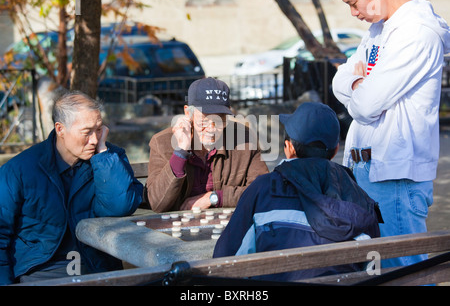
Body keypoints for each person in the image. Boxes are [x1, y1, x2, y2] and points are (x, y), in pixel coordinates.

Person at [330, 0, 450, 268]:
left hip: (395, 175)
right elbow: (339, 80)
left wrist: (359, 87)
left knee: (402, 271)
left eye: (354, 2)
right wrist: (356, 84)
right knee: (377, 270)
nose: (353, 13)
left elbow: (366, 106)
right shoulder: (380, 29)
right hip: (367, 169)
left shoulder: (417, 32)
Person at [213, 102, 382, 282]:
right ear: (334, 151)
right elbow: (373, 266)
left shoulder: (262, 188)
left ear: (289, 148)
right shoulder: (356, 191)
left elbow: (224, 259)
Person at [0, 91, 142, 285]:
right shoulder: (21, 170)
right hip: (41, 271)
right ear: (60, 129)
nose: (94, 139)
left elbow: (120, 206)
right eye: (87, 132)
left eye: (99, 129)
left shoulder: (109, 158)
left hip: (96, 267)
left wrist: (102, 154)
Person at [144, 77, 269, 213]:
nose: (212, 128)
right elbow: (157, 203)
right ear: (188, 113)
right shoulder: (162, 143)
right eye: (204, 119)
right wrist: (181, 151)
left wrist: (214, 198)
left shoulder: (244, 138)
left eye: (219, 119)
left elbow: (264, 191)